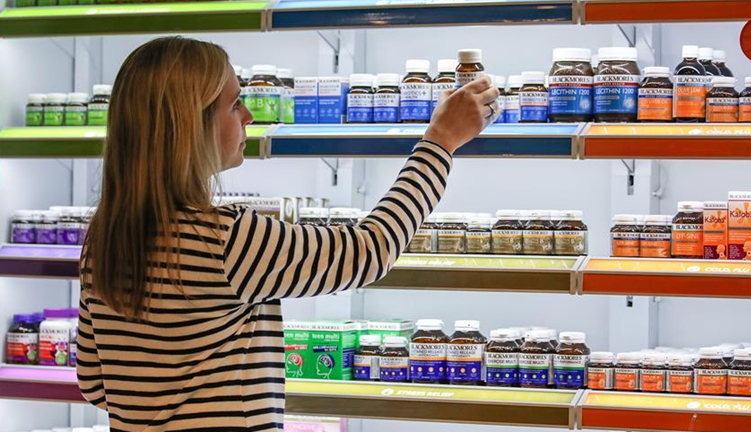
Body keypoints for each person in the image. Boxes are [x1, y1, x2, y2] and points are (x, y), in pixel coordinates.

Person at [77, 36, 499, 432]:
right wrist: (440, 141)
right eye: (234, 104)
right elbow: (370, 249)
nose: (249, 116)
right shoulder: (224, 239)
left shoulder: (103, 240)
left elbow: (95, 384)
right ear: (189, 126)